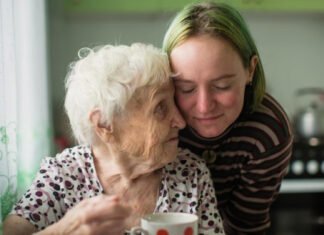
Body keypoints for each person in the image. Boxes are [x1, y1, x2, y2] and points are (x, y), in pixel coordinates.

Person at [3, 43, 225, 235]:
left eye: (173, 102)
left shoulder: (190, 173)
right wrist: (65, 230)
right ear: (104, 125)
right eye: (160, 108)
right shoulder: (63, 174)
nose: (180, 121)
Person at [162, 1, 293, 234]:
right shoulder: (155, 123)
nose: (204, 107)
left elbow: (245, 226)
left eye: (222, 86)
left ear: (250, 70)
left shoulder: (268, 132)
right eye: (186, 88)